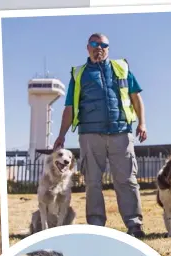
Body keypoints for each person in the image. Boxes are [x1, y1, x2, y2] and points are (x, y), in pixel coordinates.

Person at [53, 33, 147, 238]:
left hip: (121, 132)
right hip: (90, 135)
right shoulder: (79, 74)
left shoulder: (122, 68)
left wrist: (142, 123)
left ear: (108, 49)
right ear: (88, 47)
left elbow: (136, 97)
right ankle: (96, 227)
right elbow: (69, 107)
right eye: (95, 44)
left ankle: (134, 225)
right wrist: (61, 134)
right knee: (93, 182)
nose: (99, 48)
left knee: (127, 180)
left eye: (104, 45)